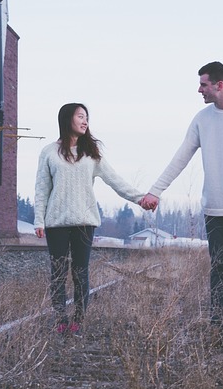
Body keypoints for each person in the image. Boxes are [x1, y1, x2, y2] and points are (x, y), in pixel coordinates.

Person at [139, 62, 223, 326]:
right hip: (214, 209)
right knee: (219, 266)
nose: (200, 90)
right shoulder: (202, 119)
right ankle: (217, 322)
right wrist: (156, 191)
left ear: (219, 85)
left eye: (203, 85)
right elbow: (181, 158)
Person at [34, 102, 147, 334]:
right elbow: (41, 189)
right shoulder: (49, 152)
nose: (85, 121)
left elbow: (116, 181)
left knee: (80, 272)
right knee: (58, 272)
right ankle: (60, 319)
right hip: (56, 223)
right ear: (67, 120)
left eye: (86, 118)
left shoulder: (91, 154)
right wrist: (38, 220)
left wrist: (141, 198)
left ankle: (78, 319)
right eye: (80, 117)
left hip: (85, 223)